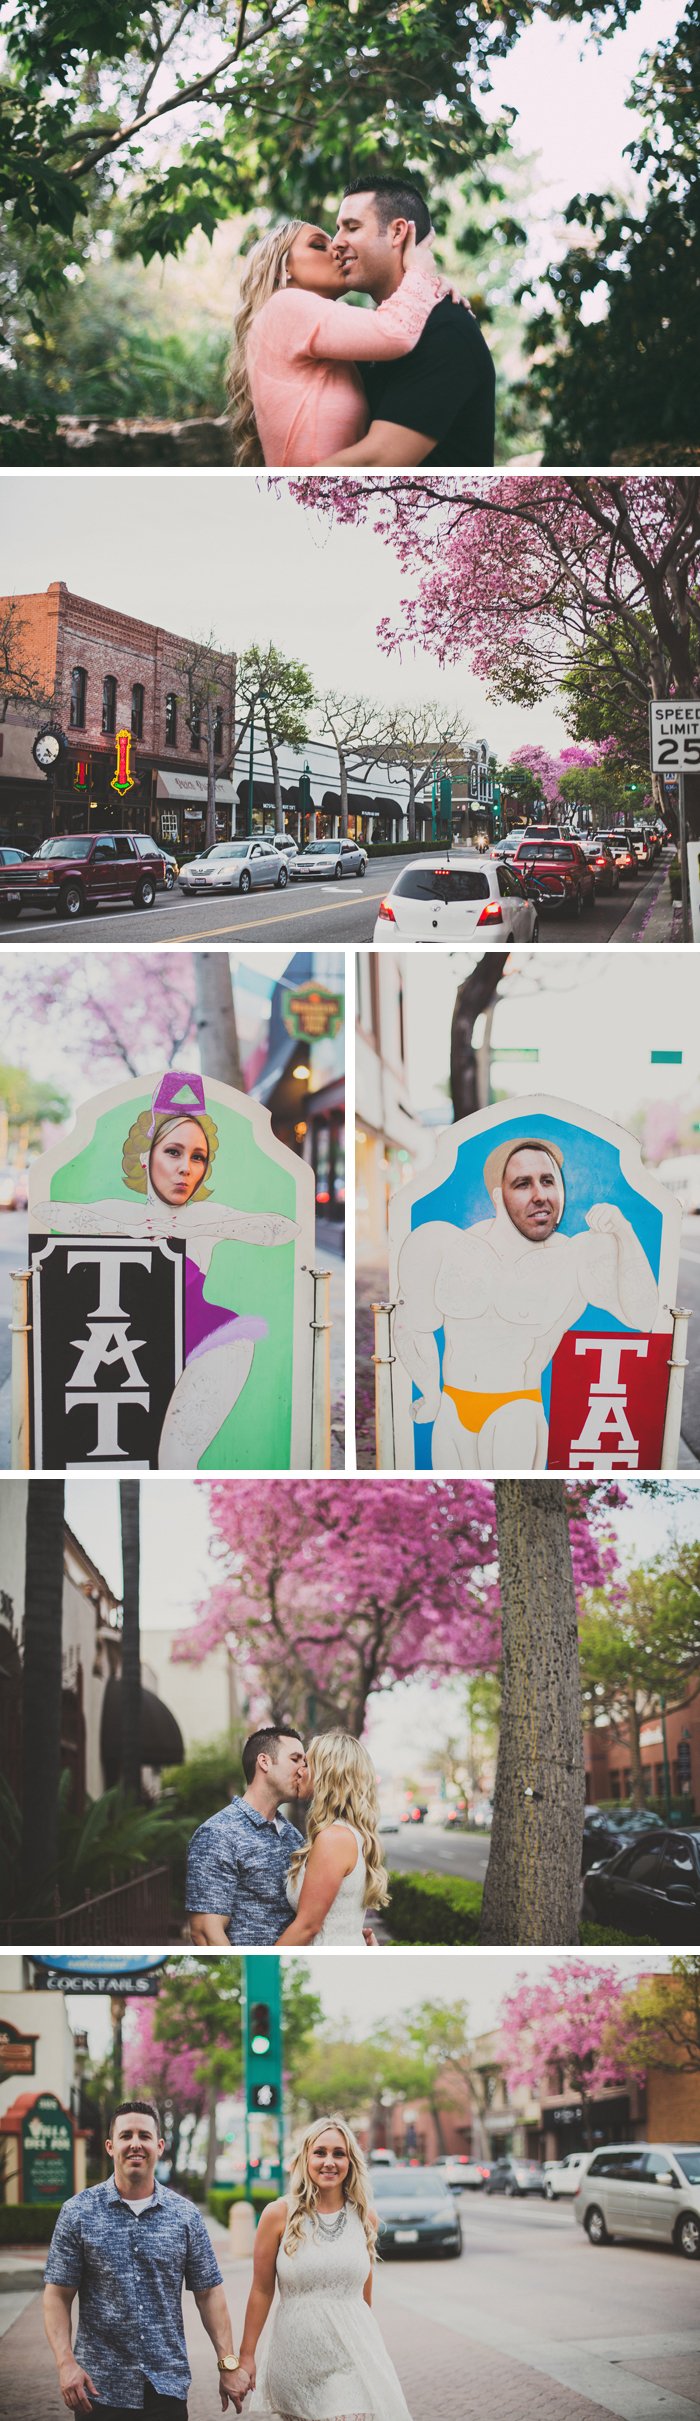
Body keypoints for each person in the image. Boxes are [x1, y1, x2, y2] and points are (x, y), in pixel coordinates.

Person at [32, 1070, 299, 1468]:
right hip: (121, 1343)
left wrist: (207, 1227)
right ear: (147, 1158)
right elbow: (47, 1213)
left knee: (177, 1455)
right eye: (173, 1152)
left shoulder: (208, 1214)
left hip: (201, 1338)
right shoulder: (119, 1211)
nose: (185, 1168)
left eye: (198, 1157)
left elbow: (284, 1230)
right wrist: (125, 1228)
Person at [394, 1134, 659, 1470]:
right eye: (523, 1184)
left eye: (548, 1181)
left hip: (515, 1409)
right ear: (497, 1196)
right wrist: (430, 1393)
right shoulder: (444, 1245)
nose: (541, 1195)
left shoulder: (575, 1256)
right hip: (451, 1410)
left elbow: (644, 1316)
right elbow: (410, 1324)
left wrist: (624, 1231)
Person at [43, 2098, 241, 2417]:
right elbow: (57, 2296)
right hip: (98, 2388)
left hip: (167, 2387)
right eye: (126, 2136)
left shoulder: (185, 2216)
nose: (135, 2144)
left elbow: (209, 2294)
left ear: (159, 2146)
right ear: (110, 2146)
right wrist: (66, 2363)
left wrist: (228, 2363)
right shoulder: (77, 2213)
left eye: (144, 2136)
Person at [222, 2117, 413, 2420]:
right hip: (296, 2360)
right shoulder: (278, 2214)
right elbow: (260, 2290)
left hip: (351, 2357)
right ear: (305, 2158)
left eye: (339, 2153)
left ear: (351, 2161)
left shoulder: (365, 2218)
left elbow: (364, 2299)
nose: (329, 2162)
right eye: (320, 2152)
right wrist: (246, 2357)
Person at [229, 214, 454, 467]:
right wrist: (419, 272)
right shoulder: (285, 305)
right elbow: (395, 331)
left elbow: (396, 323)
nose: (335, 249)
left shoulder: (304, 329)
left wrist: (435, 292)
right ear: (284, 267)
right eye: (318, 245)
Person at [330, 177, 496, 468]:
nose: (336, 243)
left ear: (397, 232)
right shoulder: (371, 333)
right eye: (337, 229)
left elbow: (378, 461)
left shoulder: (446, 331)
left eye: (352, 227)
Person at [186, 1726, 309, 1946]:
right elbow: (205, 1932)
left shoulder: (294, 1837)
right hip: (251, 1975)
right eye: (295, 1759)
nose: (303, 1770)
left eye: (305, 1762)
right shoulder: (218, 1834)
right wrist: (247, 1977)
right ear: (264, 1762)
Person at [276, 1731, 389, 1946]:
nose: (300, 1771)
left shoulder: (334, 1838)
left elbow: (307, 1927)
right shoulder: (351, 1833)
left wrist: (263, 1967)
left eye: (307, 1764)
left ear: (327, 1773)